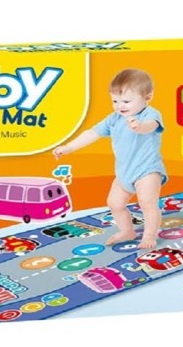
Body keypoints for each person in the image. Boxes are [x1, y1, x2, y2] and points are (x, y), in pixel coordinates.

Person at [53, 68, 166, 249]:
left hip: (147, 170)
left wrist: (139, 127)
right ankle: (127, 231)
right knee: (114, 203)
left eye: (126, 101)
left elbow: (151, 126)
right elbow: (92, 133)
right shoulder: (114, 118)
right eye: (115, 101)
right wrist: (69, 147)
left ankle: (149, 235)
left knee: (147, 203)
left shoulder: (150, 114)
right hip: (124, 172)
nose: (120, 106)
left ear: (148, 97)